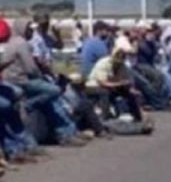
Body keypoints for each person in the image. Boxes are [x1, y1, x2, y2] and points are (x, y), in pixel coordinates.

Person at [0, 18, 82, 146]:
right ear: (22, 29)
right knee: (54, 91)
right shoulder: (22, 44)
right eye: (29, 29)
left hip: (17, 80)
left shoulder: (16, 42)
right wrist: (42, 76)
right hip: (20, 80)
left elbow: (56, 49)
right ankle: (64, 132)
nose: (31, 31)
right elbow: (30, 68)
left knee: (49, 101)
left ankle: (65, 133)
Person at [86, 45, 144, 122]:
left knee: (130, 94)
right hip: (93, 85)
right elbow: (103, 82)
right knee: (105, 92)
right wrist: (119, 84)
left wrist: (130, 89)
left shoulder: (122, 66)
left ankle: (137, 117)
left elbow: (127, 79)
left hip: (112, 85)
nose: (118, 63)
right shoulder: (103, 63)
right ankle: (105, 118)